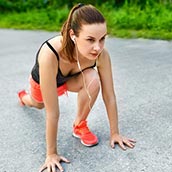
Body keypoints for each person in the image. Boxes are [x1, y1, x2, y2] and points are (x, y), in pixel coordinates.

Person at [18, 3, 136, 172]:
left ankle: (79, 125)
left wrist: (115, 133)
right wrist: (51, 154)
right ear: (73, 35)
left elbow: (109, 95)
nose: (98, 47)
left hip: (71, 80)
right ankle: (23, 97)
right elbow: (53, 112)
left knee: (93, 78)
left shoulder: (101, 55)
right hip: (44, 82)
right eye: (90, 40)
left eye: (102, 38)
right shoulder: (50, 53)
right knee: (38, 104)